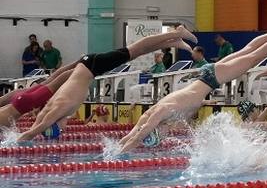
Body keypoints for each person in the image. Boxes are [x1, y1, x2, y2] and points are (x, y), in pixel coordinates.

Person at [113, 23, 267, 153]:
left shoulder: (162, 113)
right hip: (208, 75)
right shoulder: (154, 113)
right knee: (248, 51)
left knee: (255, 57)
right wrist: (119, 146)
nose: (165, 137)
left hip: (212, 78)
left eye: (159, 137)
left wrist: (123, 153)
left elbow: (140, 133)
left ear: (156, 132)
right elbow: (136, 129)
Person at [15, 27, 196, 141]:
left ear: (54, 124)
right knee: (135, 52)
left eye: (59, 130)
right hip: (87, 65)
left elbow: (33, 131)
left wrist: (15, 143)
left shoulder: (59, 109)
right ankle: (174, 40)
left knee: (135, 50)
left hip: (91, 66)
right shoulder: (53, 111)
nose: (63, 130)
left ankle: (176, 33)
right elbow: (38, 124)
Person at [0, 63, 79, 129]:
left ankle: (84, 69)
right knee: (51, 80)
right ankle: (80, 62)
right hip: (17, 99)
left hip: (23, 104)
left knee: (55, 83)